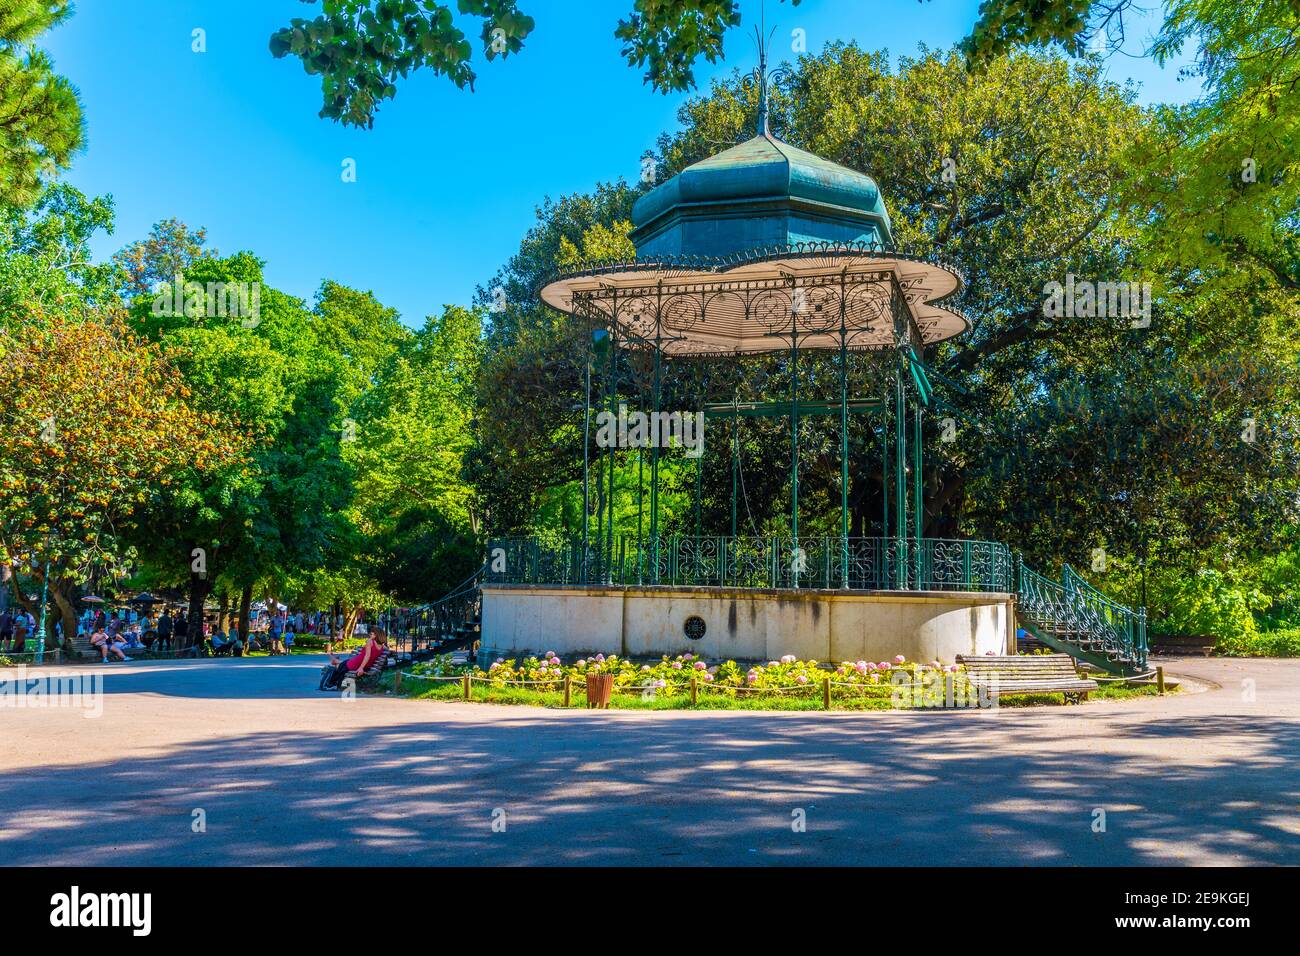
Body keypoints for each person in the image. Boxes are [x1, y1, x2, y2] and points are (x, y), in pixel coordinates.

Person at [319, 629, 388, 691]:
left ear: (376, 635)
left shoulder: (370, 641)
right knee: (341, 663)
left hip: (357, 663)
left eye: (372, 634)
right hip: (363, 664)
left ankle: (330, 681)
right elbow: (385, 650)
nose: (370, 635)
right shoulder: (382, 646)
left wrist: (361, 668)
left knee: (338, 666)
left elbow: (367, 656)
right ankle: (334, 660)